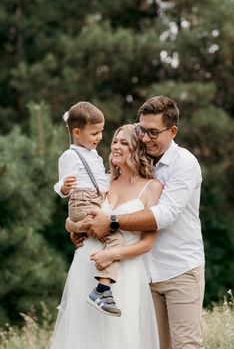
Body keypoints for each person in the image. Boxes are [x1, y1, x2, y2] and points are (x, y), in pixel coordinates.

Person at [74, 96, 205, 349]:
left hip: (179, 270)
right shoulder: (134, 163)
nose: (145, 138)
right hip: (140, 274)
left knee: (186, 345)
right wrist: (84, 229)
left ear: (173, 131)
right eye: (142, 130)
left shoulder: (184, 164)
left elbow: (164, 216)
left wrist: (110, 222)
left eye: (153, 132)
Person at [50, 124, 162, 349]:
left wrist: (112, 253)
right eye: (114, 142)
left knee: (120, 338)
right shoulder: (102, 181)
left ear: (137, 149)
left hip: (125, 272)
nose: (116, 147)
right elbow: (77, 215)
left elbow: (147, 244)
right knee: (82, 337)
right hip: (86, 265)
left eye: (124, 143)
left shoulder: (152, 187)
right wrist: (72, 226)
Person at [54, 101, 125, 317]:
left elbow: (98, 181)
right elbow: (61, 184)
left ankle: (83, 295)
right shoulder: (70, 156)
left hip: (94, 199)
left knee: (97, 238)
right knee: (116, 239)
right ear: (76, 132)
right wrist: (64, 187)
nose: (100, 137)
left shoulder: (93, 155)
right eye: (95, 133)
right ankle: (101, 290)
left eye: (101, 131)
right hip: (82, 201)